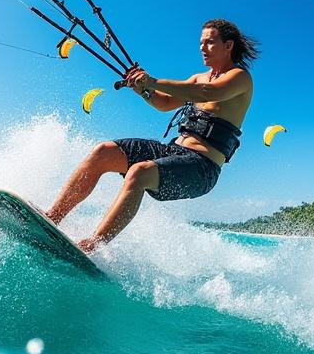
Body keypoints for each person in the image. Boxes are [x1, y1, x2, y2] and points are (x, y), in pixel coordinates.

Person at [47, 19, 256, 253]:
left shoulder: (240, 77)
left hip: (202, 168)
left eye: (209, 42)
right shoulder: (198, 77)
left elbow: (207, 93)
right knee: (103, 152)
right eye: (200, 43)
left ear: (228, 46)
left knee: (139, 173)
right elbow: (164, 103)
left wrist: (152, 81)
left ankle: (91, 247)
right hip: (173, 151)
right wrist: (143, 90)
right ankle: (51, 218)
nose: (202, 48)